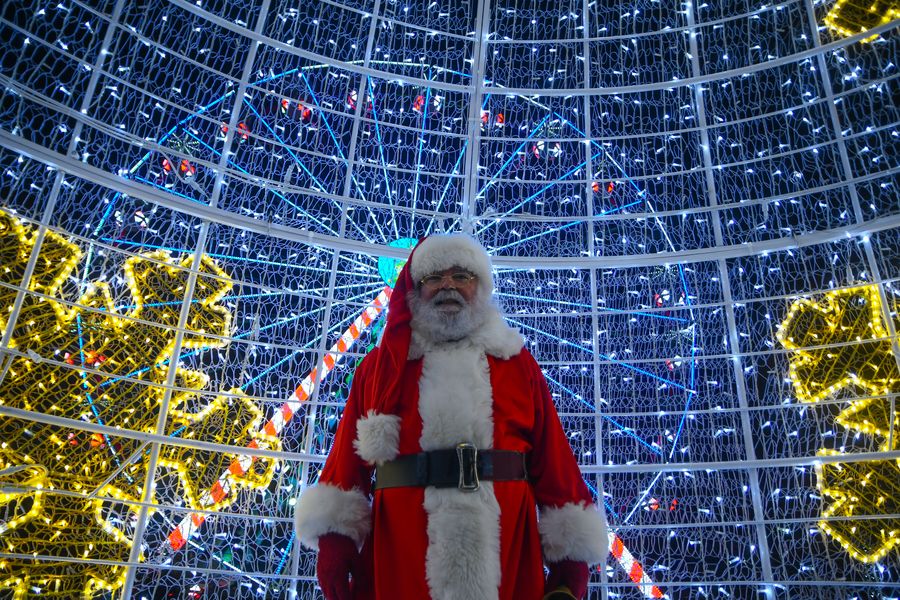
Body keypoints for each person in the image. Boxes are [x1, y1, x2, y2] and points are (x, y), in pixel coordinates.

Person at [294, 234, 608, 600]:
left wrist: (571, 559)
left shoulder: (517, 363)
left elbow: (553, 459)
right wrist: (335, 540)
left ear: (481, 286)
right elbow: (347, 461)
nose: (448, 285)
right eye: (434, 277)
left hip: (506, 546)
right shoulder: (380, 369)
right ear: (415, 290)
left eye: (461, 276)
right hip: (403, 548)